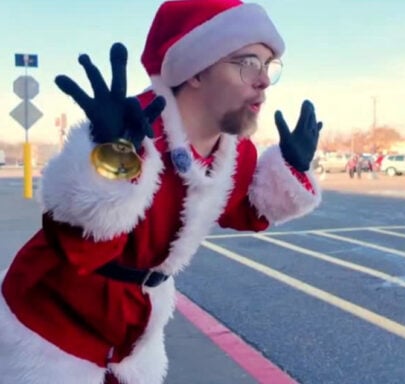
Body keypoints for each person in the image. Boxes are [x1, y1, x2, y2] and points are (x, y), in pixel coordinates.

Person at [0, 1, 323, 383]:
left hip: (134, 333)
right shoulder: (131, 129)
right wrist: (107, 161)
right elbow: (79, 247)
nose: (264, 80)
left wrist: (290, 170)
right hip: (51, 325)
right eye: (248, 62)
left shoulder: (235, 155)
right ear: (196, 72)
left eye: (269, 65)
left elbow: (246, 210)